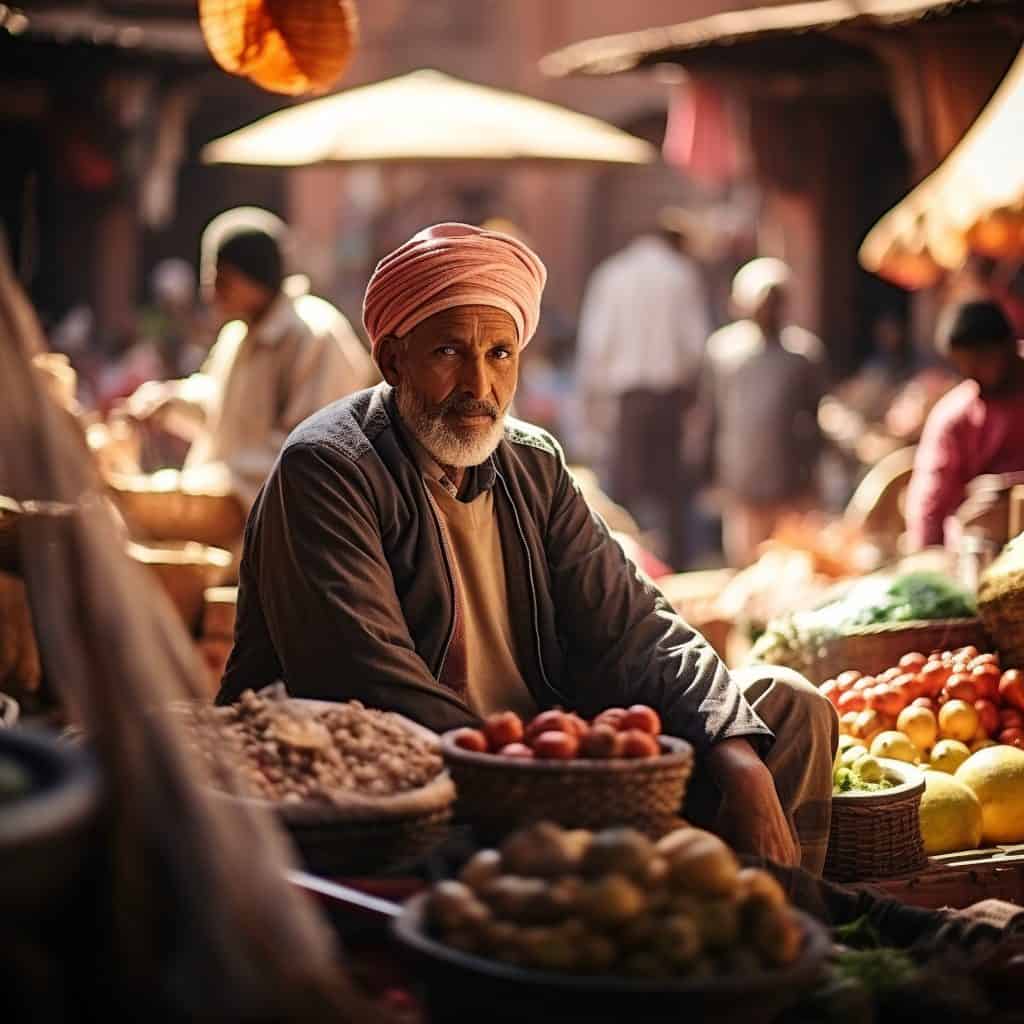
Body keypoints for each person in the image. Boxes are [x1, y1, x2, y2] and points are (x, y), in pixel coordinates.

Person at [217, 222, 837, 873]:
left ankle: (776, 927)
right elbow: (370, 689)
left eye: (501, 355)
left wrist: (735, 757)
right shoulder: (329, 469)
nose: (480, 387)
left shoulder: (531, 463)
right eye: (449, 353)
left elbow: (632, 623)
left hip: (543, 759)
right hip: (412, 790)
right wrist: (570, 784)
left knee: (786, 706)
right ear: (393, 359)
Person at [125, 212, 374, 513]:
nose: (210, 293)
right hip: (236, 516)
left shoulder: (314, 334)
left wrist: (222, 481)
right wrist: (168, 402)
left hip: (291, 525)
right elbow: (220, 408)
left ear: (256, 279)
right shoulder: (237, 335)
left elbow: (313, 448)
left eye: (222, 280)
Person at [576, 212, 711, 569]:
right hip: (669, 398)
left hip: (627, 399)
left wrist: (594, 402)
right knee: (673, 491)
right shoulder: (680, 275)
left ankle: (621, 566)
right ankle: (676, 567)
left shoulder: (612, 274)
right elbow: (695, 345)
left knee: (625, 490)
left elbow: (595, 345)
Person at [699, 257, 826, 568]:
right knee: (745, 563)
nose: (767, 310)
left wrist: (811, 475)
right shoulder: (723, 351)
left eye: (775, 301)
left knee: (790, 564)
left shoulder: (802, 354)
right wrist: (707, 471)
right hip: (741, 476)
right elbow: (711, 414)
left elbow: (815, 417)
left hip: (789, 478)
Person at [905, 299, 1024, 550]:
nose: (971, 371)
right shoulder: (955, 417)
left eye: (981, 360)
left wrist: (1013, 492)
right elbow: (930, 506)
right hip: (978, 555)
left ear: (1009, 346)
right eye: (962, 364)